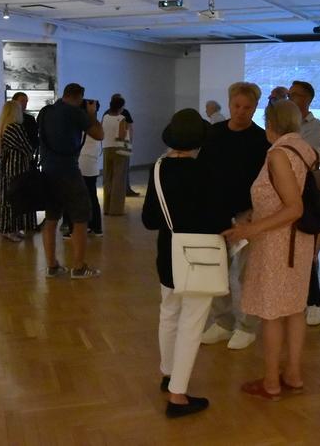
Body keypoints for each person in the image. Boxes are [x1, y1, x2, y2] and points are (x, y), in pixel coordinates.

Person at [223, 99, 316, 401]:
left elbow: (294, 207)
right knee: (295, 309)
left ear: (270, 123)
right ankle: (294, 374)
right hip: (299, 241)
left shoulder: (278, 153)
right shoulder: (305, 148)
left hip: (278, 243)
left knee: (272, 313)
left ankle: (272, 380)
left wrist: (251, 229)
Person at [142, 108, 229, 418]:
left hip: (168, 252)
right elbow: (220, 219)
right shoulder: (208, 170)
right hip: (201, 256)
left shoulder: (157, 168)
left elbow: (149, 220)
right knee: (192, 322)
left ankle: (168, 374)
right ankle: (178, 396)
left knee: (169, 312)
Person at [199, 82, 270, 350]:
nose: (241, 111)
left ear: (255, 108)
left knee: (247, 274)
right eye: (237, 106)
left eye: (247, 107)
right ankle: (222, 321)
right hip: (216, 213)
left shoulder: (261, 140)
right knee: (216, 271)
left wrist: (252, 213)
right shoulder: (214, 134)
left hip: (248, 217)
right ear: (229, 104)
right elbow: (204, 172)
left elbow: (266, 182)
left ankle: (248, 325)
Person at [39, 83, 104, 279]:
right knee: (80, 218)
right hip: (68, 172)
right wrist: (91, 114)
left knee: (51, 219)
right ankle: (79, 267)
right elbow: (99, 134)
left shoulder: (46, 112)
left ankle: (52, 266)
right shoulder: (76, 113)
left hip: (47, 171)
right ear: (79, 97)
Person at [289, 80, 320, 325]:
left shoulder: (316, 126)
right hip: (284, 191)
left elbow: (304, 154)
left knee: (307, 248)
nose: (291, 98)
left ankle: (313, 301)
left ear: (308, 99)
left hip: (306, 192)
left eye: (296, 95)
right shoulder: (283, 122)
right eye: (290, 94)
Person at [0, 101, 38, 241]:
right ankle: (10, 230)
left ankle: (9, 229)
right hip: (16, 168)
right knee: (15, 199)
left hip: (6, 167)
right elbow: (26, 147)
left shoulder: (3, 127)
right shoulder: (15, 127)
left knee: (7, 198)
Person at [102, 96, 128, 216]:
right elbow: (122, 136)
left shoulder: (105, 117)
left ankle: (106, 208)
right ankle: (116, 209)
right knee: (119, 178)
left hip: (106, 147)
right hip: (119, 148)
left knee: (107, 177)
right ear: (120, 107)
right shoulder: (121, 118)